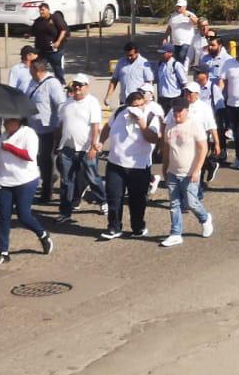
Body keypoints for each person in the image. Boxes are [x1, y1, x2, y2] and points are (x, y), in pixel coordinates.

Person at [0, 116, 52, 267]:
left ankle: (42, 233)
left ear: (18, 121)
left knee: (23, 216)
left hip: (26, 180)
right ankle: (3, 252)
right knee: (3, 217)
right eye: (4, 120)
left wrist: (10, 147)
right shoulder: (3, 136)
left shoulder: (28, 134)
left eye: (9, 120)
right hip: (5, 181)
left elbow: (29, 155)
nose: (5, 122)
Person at [99, 87, 162, 239]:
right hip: (115, 163)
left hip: (138, 166)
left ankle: (138, 227)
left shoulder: (152, 116)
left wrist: (141, 123)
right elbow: (107, 127)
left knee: (137, 200)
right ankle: (114, 227)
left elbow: (153, 138)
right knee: (114, 197)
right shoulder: (120, 112)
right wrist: (100, 142)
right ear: (128, 106)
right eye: (135, 106)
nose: (139, 108)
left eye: (142, 105)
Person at [161, 83, 218, 247]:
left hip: (190, 171)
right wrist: (165, 167)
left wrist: (197, 169)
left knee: (192, 202)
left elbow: (203, 148)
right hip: (173, 171)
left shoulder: (194, 125)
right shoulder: (170, 126)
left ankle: (205, 218)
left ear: (186, 111)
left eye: (179, 111)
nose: (176, 114)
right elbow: (166, 148)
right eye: (174, 111)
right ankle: (175, 233)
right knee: (174, 204)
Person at [54, 73, 106, 224]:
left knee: (93, 177)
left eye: (80, 85)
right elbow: (60, 126)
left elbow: (95, 126)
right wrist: (58, 145)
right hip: (67, 149)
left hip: (86, 149)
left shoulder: (92, 103)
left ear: (87, 87)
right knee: (66, 181)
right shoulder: (66, 104)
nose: (77, 87)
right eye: (75, 84)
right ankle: (65, 212)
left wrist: (93, 147)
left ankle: (103, 201)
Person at [22, 59, 66, 205]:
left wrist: (59, 128)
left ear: (37, 70)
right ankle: (45, 183)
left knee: (45, 160)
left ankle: (47, 192)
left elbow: (61, 106)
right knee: (38, 160)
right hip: (32, 129)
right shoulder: (32, 82)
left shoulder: (52, 84)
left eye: (30, 70)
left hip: (48, 130)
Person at [30, 2, 69, 80]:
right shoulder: (38, 21)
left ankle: (61, 83)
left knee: (57, 68)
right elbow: (33, 31)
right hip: (42, 50)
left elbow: (63, 30)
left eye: (43, 10)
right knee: (39, 67)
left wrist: (58, 42)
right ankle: (40, 82)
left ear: (48, 10)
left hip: (55, 50)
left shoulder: (55, 18)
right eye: (40, 10)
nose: (41, 12)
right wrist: (28, 34)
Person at [164, 0, 200, 64]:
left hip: (187, 42)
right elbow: (169, 28)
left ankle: (181, 71)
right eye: (177, 6)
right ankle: (178, 71)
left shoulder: (190, 14)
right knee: (176, 59)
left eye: (180, 6)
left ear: (185, 7)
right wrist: (165, 37)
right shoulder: (173, 16)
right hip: (175, 42)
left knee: (182, 56)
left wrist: (189, 16)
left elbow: (197, 22)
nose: (178, 8)